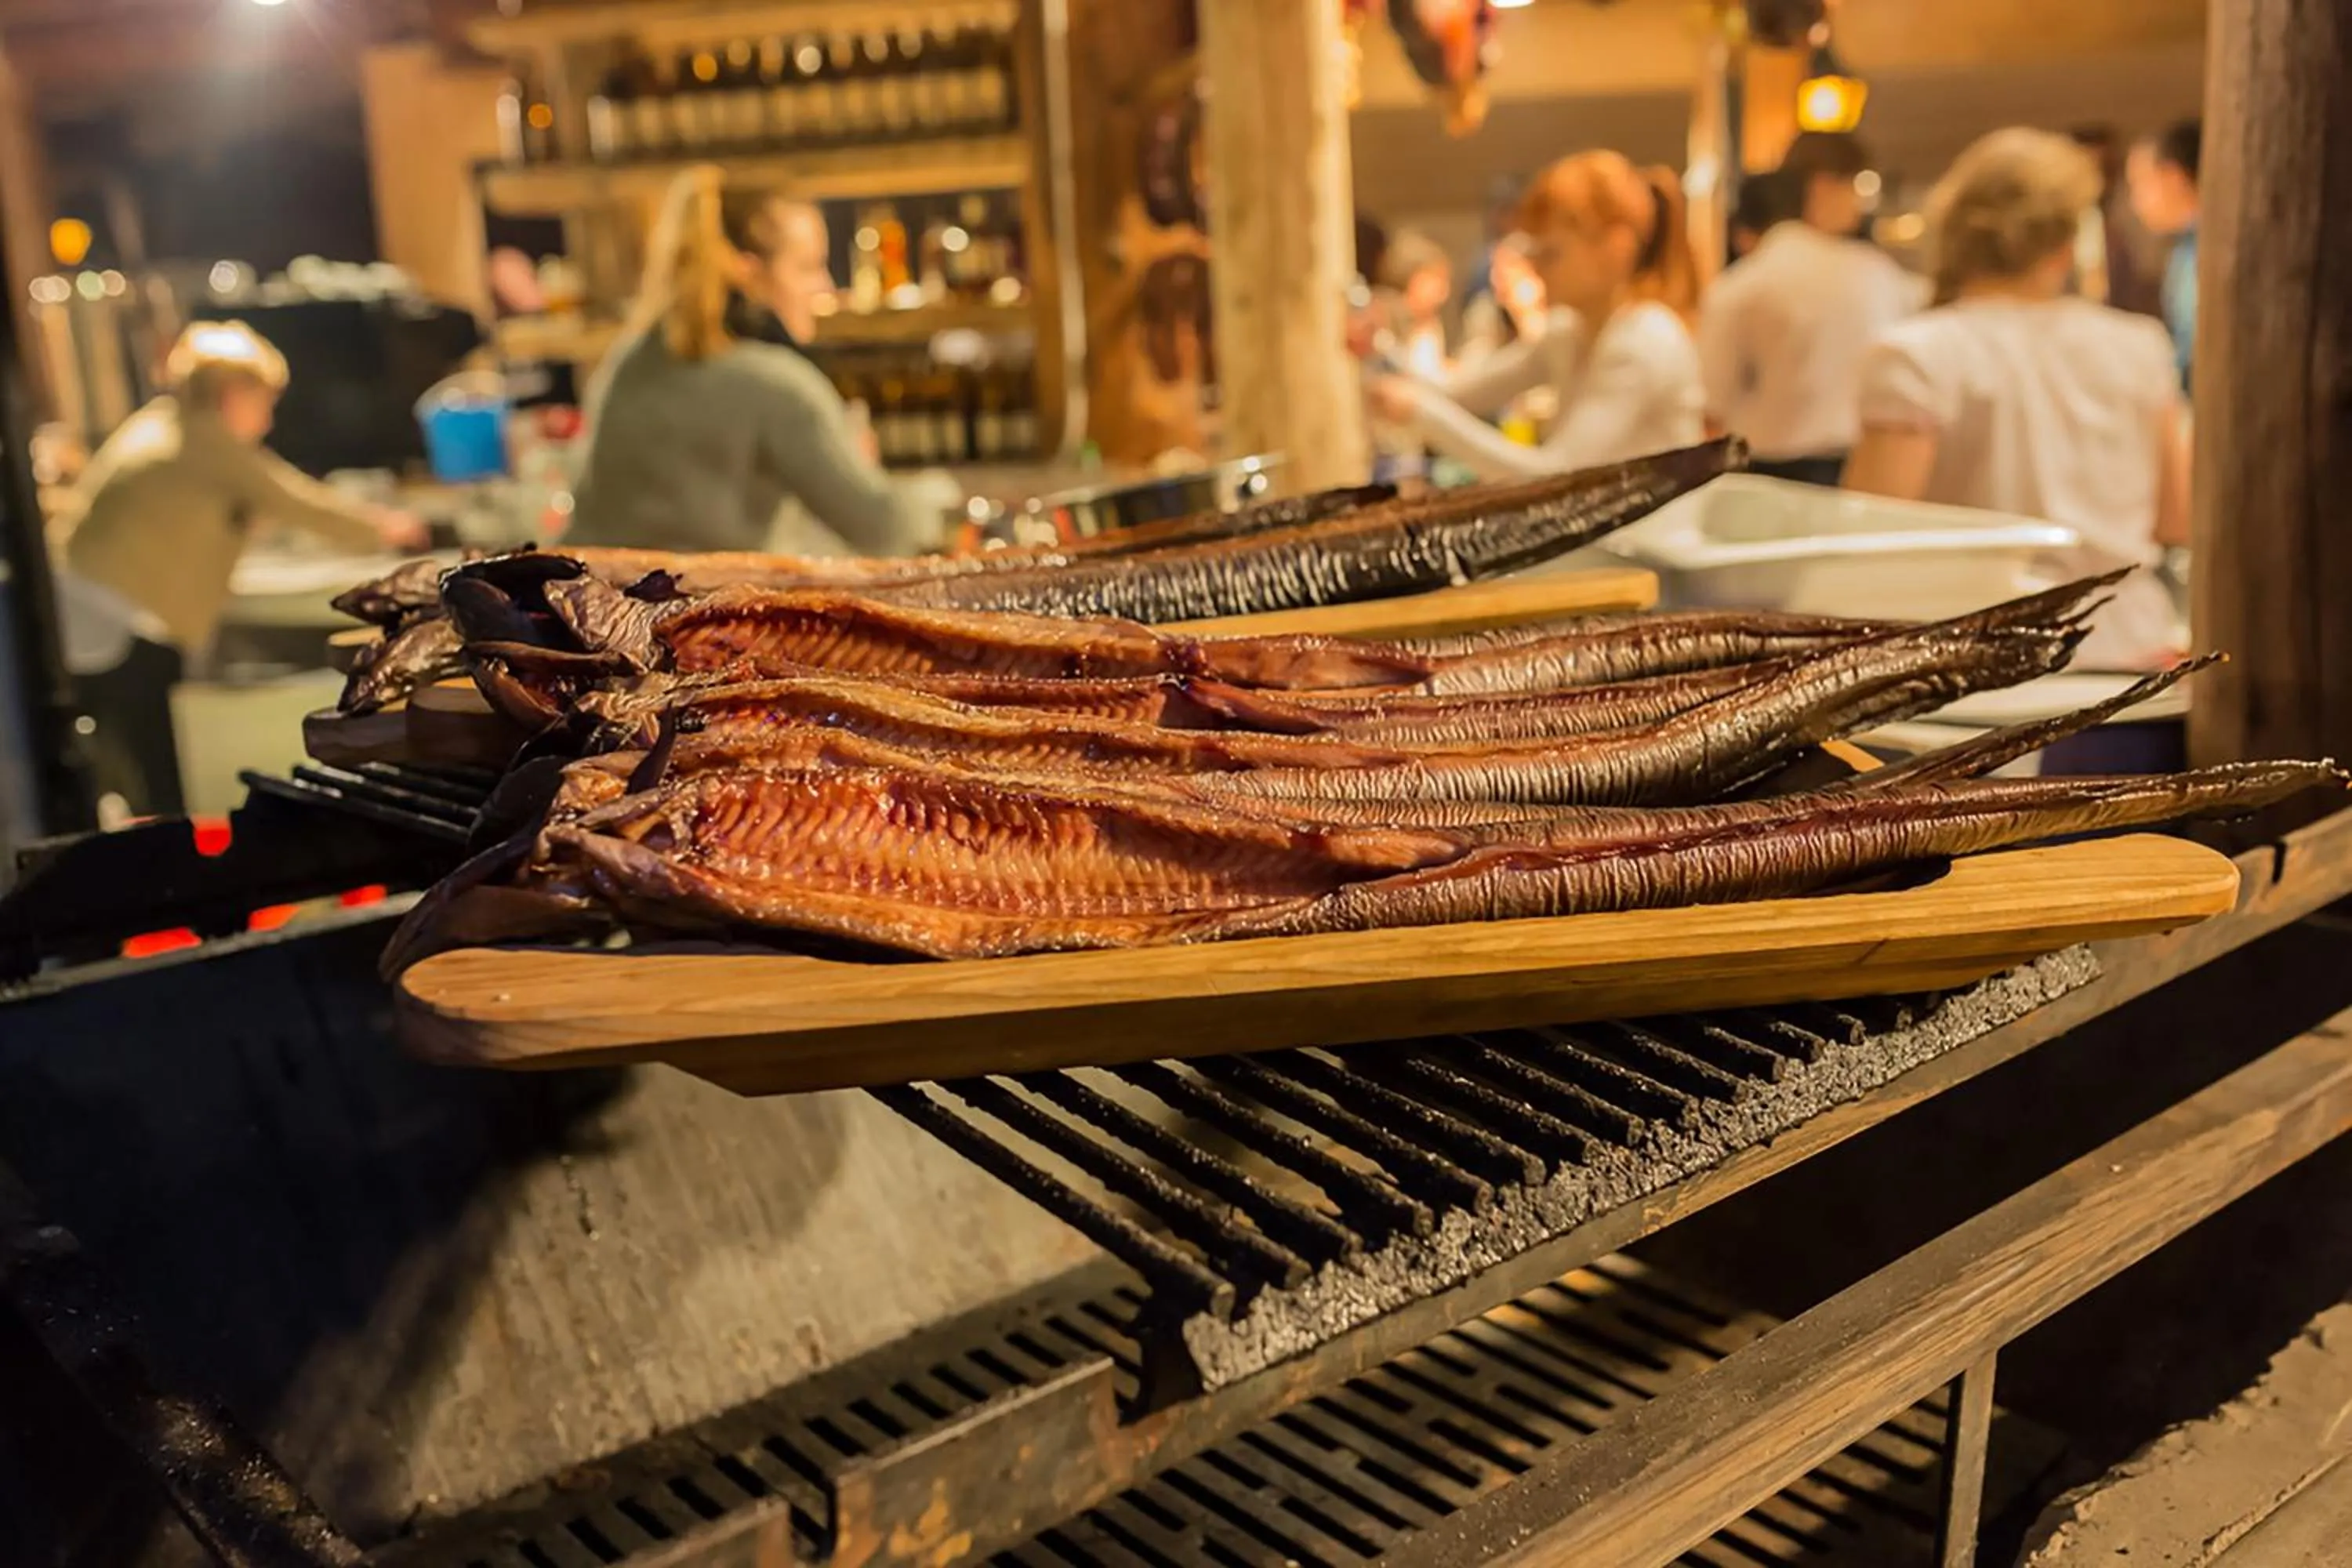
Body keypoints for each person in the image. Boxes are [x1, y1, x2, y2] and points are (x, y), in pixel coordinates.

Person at [1844, 128, 2190, 670]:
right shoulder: (2138, 344)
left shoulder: (1916, 353)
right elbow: (2177, 518)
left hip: (1975, 671)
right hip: (2128, 656)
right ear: (2065, 244)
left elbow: (1872, 544)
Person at [56, 320, 426, 814]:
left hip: (88, 616)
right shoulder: (206, 441)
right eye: (264, 401)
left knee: (123, 767)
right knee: (155, 770)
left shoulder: (167, 424)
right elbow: (297, 502)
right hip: (114, 625)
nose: (268, 419)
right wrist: (391, 529)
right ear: (232, 394)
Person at [566, 168, 936, 557]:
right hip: (695, 611)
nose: (824, 286)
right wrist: (938, 494)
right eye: (809, 267)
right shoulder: (776, 384)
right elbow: (886, 530)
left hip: (581, 605)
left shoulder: (630, 357)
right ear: (747, 270)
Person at [1366, 150, 1704, 478]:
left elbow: (1557, 474)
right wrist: (1378, 347)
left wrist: (1420, 412)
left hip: (1656, 535)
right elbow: (1461, 390)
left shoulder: (1644, 339)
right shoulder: (1569, 331)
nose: (1537, 268)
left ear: (1615, 248)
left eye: (1552, 253)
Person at [1697, 132, 1918, 487]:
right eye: (1854, 187)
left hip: (1766, 474)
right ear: (1822, 185)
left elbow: (1712, 402)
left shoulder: (1746, 282)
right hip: (1856, 469)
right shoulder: (1880, 274)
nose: (1859, 205)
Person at [2126, 119, 2201, 394]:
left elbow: (2194, 350)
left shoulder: (2203, 250)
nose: (2135, 202)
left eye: (2138, 184)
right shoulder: (2185, 249)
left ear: (2172, 177)